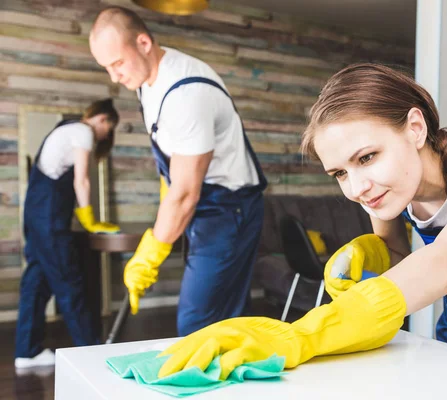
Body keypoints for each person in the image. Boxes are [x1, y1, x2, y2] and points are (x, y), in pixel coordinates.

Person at [152, 63, 447, 380]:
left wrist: (305, 334)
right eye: (340, 172)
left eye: (366, 157)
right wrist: (373, 252)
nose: (356, 186)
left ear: (415, 128)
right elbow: (400, 255)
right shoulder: (383, 189)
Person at [88, 7, 267, 336]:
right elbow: (172, 167)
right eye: (106, 68)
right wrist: (165, 208)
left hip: (229, 209)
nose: (114, 77)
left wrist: (151, 253)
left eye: (117, 64)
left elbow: (185, 193)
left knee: (198, 322)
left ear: (143, 43)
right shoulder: (146, 82)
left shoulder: (186, 92)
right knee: (225, 319)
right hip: (206, 204)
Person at [15, 99, 121, 369]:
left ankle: (27, 352)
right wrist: (89, 220)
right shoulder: (83, 131)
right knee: (68, 280)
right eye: (108, 129)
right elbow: (81, 180)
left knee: (36, 282)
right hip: (49, 215)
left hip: (36, 212)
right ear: (103, 119)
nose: (105, 135)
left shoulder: (64, 129)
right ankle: (92, 351)